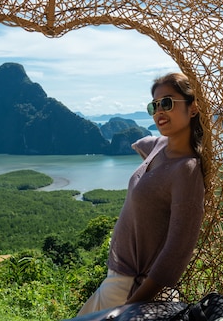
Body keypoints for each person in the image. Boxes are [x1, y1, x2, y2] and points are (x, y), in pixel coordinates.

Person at [77, 72, 206, 316]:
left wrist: (131, 307)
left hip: (132, 287)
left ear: (192, 109)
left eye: (167, 103)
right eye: (153, 106)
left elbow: (177, 252)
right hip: (117, 278)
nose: (159, 111)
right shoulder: (157, 146)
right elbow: (142, 143)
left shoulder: (187, 171)